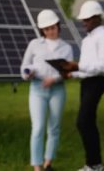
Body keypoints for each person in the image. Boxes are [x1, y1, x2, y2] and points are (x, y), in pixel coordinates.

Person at [62, 0, 104, 171]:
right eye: (83, 20)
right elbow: (87, 66)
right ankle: (93, 164)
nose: (84, 23)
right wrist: (72, 73)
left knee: (83, 121)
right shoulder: (87, 40)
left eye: (87, 19)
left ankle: (94, 164)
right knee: (88, 122)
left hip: (97, 82)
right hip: (87, 82)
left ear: (97, 18)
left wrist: (77, 66)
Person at [20, 9, 73, 171]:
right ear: (42, 30)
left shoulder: (67, 47)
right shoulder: (34, 44)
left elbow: (69, 71)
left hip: (57, 89)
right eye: (46, 29)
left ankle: (48, 162)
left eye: (53, 27)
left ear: (58, 26)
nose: (50, 31)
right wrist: (27, 74)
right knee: (38, 127)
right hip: (37, 89)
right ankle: (37, 166)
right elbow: (24, 67)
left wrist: (55, 79)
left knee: (54, 127)